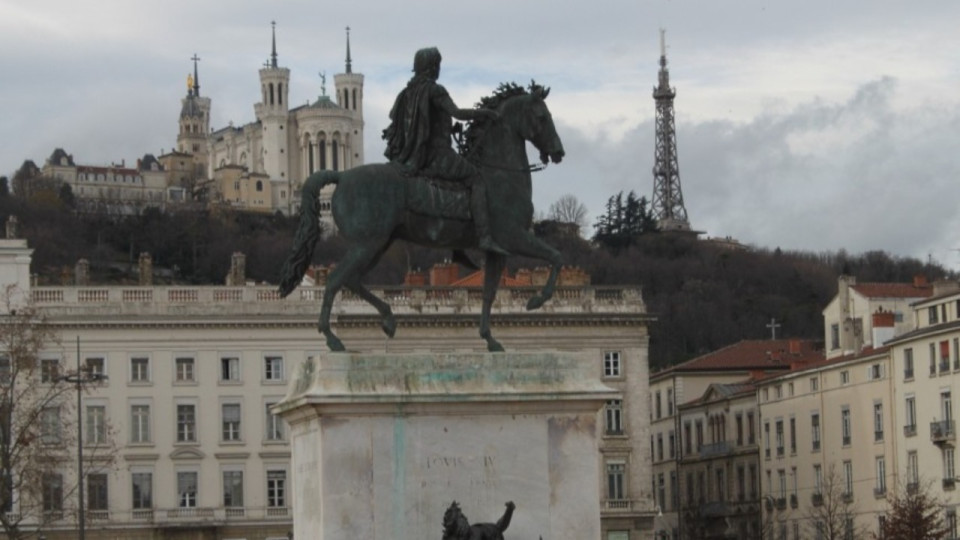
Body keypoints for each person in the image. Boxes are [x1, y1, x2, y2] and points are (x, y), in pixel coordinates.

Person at [383, 47, 508, 255]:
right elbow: (457, 112)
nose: (439, 69)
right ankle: (484, 237)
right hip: (438, 155)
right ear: (433, 67)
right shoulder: (434, 90)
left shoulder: (405, 94)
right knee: (476, 179)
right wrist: (485, 113)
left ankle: (457, 246)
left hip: (414, 155)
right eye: (438, 65)